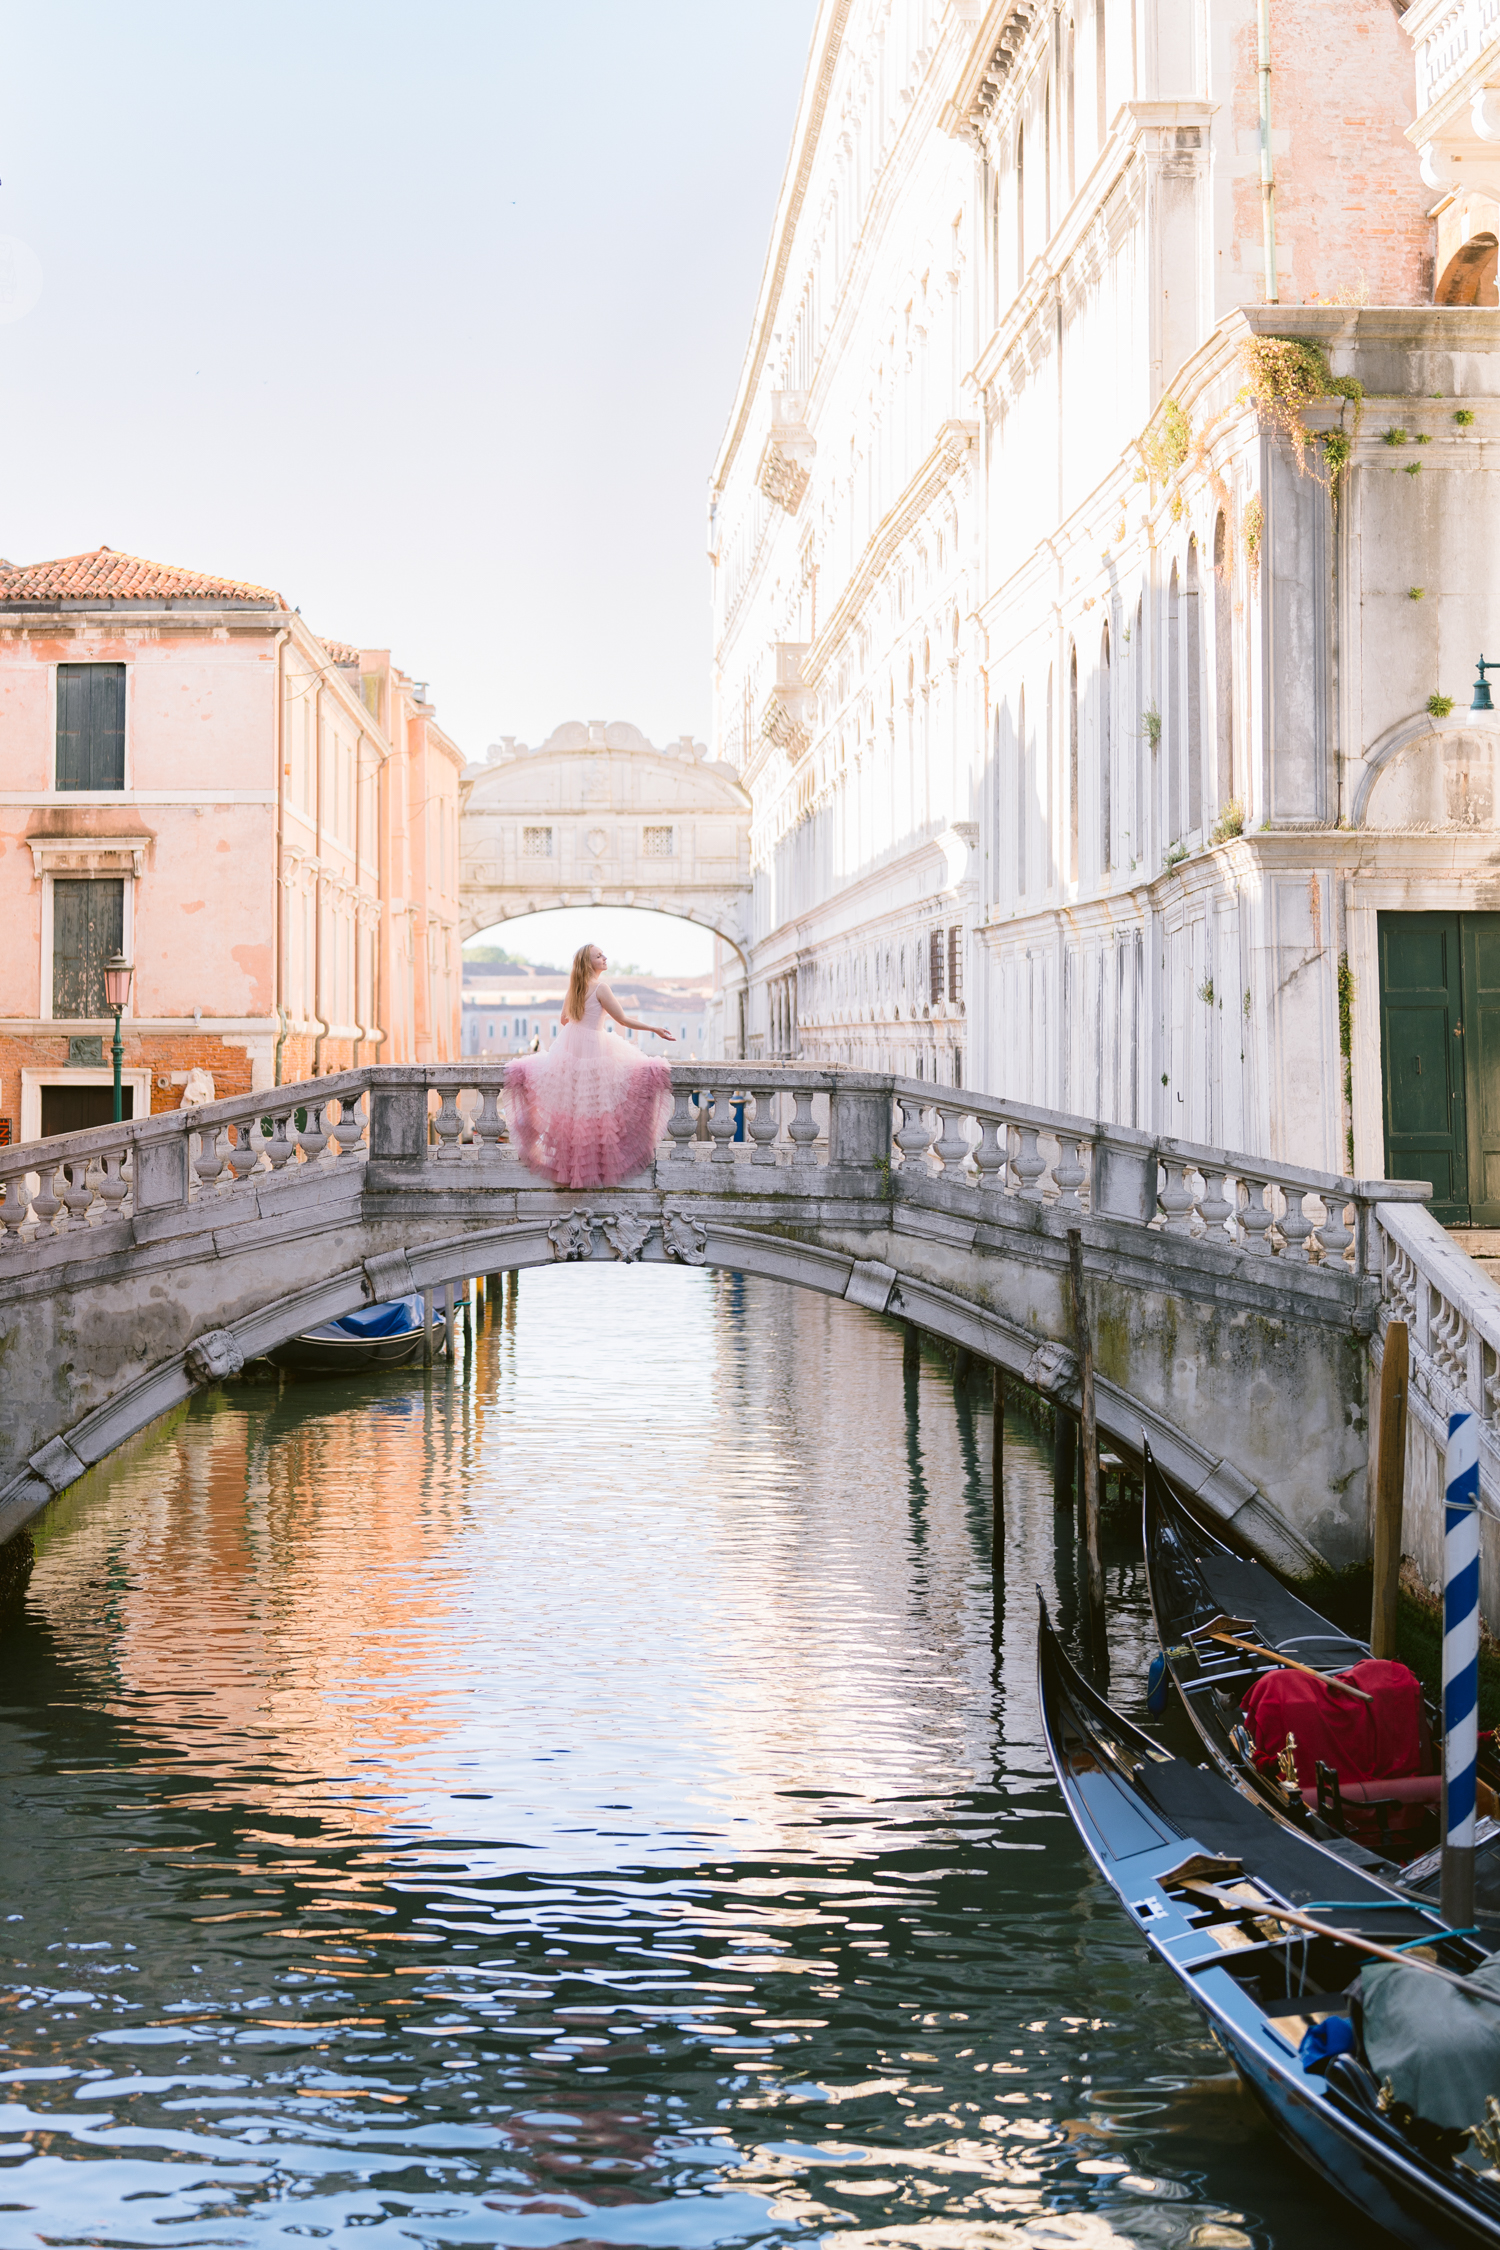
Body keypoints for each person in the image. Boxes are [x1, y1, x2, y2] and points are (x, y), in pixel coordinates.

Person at [505, 945, 675, 1189]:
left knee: (574, 1106)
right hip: (594, 1045)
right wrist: (655, 1029)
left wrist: (581, 1018)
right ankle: (598, 1164)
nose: (605, 958)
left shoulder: (575, 987)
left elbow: (564, 1020)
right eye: (599, 956)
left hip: (570, 1045)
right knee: (598, 1104)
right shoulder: (600, 987)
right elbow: (623, 1020)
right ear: (589, 963)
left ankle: (572, 1166)